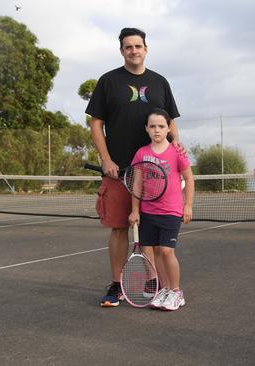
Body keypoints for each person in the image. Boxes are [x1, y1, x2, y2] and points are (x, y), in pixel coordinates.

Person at [86, 27, 181, 307]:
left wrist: (176, 151)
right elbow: (96, 123)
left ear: (146, 49)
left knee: (152, 233)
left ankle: (157, 285)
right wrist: (106, 159)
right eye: (128, 47)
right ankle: (117, 285)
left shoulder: (160, 82)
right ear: (122, 51)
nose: (134, 51)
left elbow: (171, 122)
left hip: (154, 175)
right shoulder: (108, 81)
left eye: (138, 46)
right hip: (119, 172)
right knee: (118, 229)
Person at [128, 108, 194, 311]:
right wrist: (135, 210)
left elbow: (189, 179)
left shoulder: (176, 152)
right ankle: (163, 288)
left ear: (168, 128)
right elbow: (137, 184)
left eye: (161, 126)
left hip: (171, 212)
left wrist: (188, 205)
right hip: (148, 212)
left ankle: (176, 291)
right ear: (146, 129)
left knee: (166, 251)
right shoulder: (142, 153)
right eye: (153, 126)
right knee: (152, 253)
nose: (157, 130)